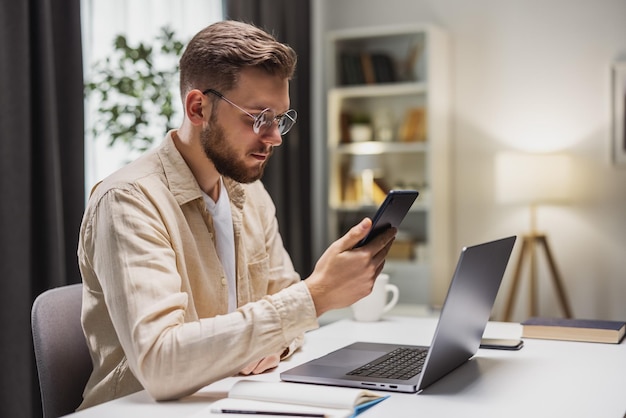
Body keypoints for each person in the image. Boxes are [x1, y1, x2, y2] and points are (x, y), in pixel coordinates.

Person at [77, 20, 396, 410]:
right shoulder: (128, 201)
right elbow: (160, 363)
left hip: (228, 402)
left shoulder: (250, 194)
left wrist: (274, 341)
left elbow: (285, 313)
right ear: (198, 107)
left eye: (279, 118)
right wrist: (316, 295)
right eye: (258, 117)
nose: (275, 137)